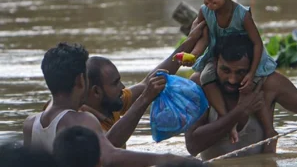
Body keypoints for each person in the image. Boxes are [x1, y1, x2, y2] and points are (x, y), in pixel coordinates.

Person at [23, 28, 206, 166]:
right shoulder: (81, 120)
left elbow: (148, 81)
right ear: (81, 80)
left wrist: (189, 42)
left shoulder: (31, 124)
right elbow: (109, 155)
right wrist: (169, 159)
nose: (122, 87)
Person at [184, 34, 297, 160]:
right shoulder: (200, 85)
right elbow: (192, 146)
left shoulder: (270, 83)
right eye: (225, 70)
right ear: (215, 63)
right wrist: (240, 112)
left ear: (253, 68)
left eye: (241, 72)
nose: (232, 79)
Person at [175, 0, 278, 152]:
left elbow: (257, 43)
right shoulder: (205, 11)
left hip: (245, 60)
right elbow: (200, 37)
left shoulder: (242, 14)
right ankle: (227, 120)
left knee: (254, 86)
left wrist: (252, 72)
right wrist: (193, 55)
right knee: (205, 77)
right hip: (218, 57)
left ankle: (269, 130)